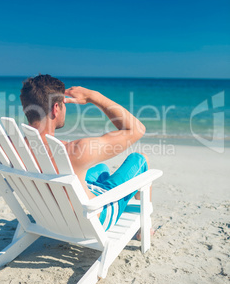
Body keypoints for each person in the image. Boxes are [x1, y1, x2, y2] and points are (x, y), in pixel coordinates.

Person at [20, 74, 150, 233]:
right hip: (91, 221)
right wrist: (92, 96)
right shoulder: (76, 151)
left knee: (102, 168)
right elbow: (136, 129)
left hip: (46, 215)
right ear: (56, 108)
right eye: (63, 104)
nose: (65, 108)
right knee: (140, 159)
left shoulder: (11, 147)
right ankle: (145, 229)